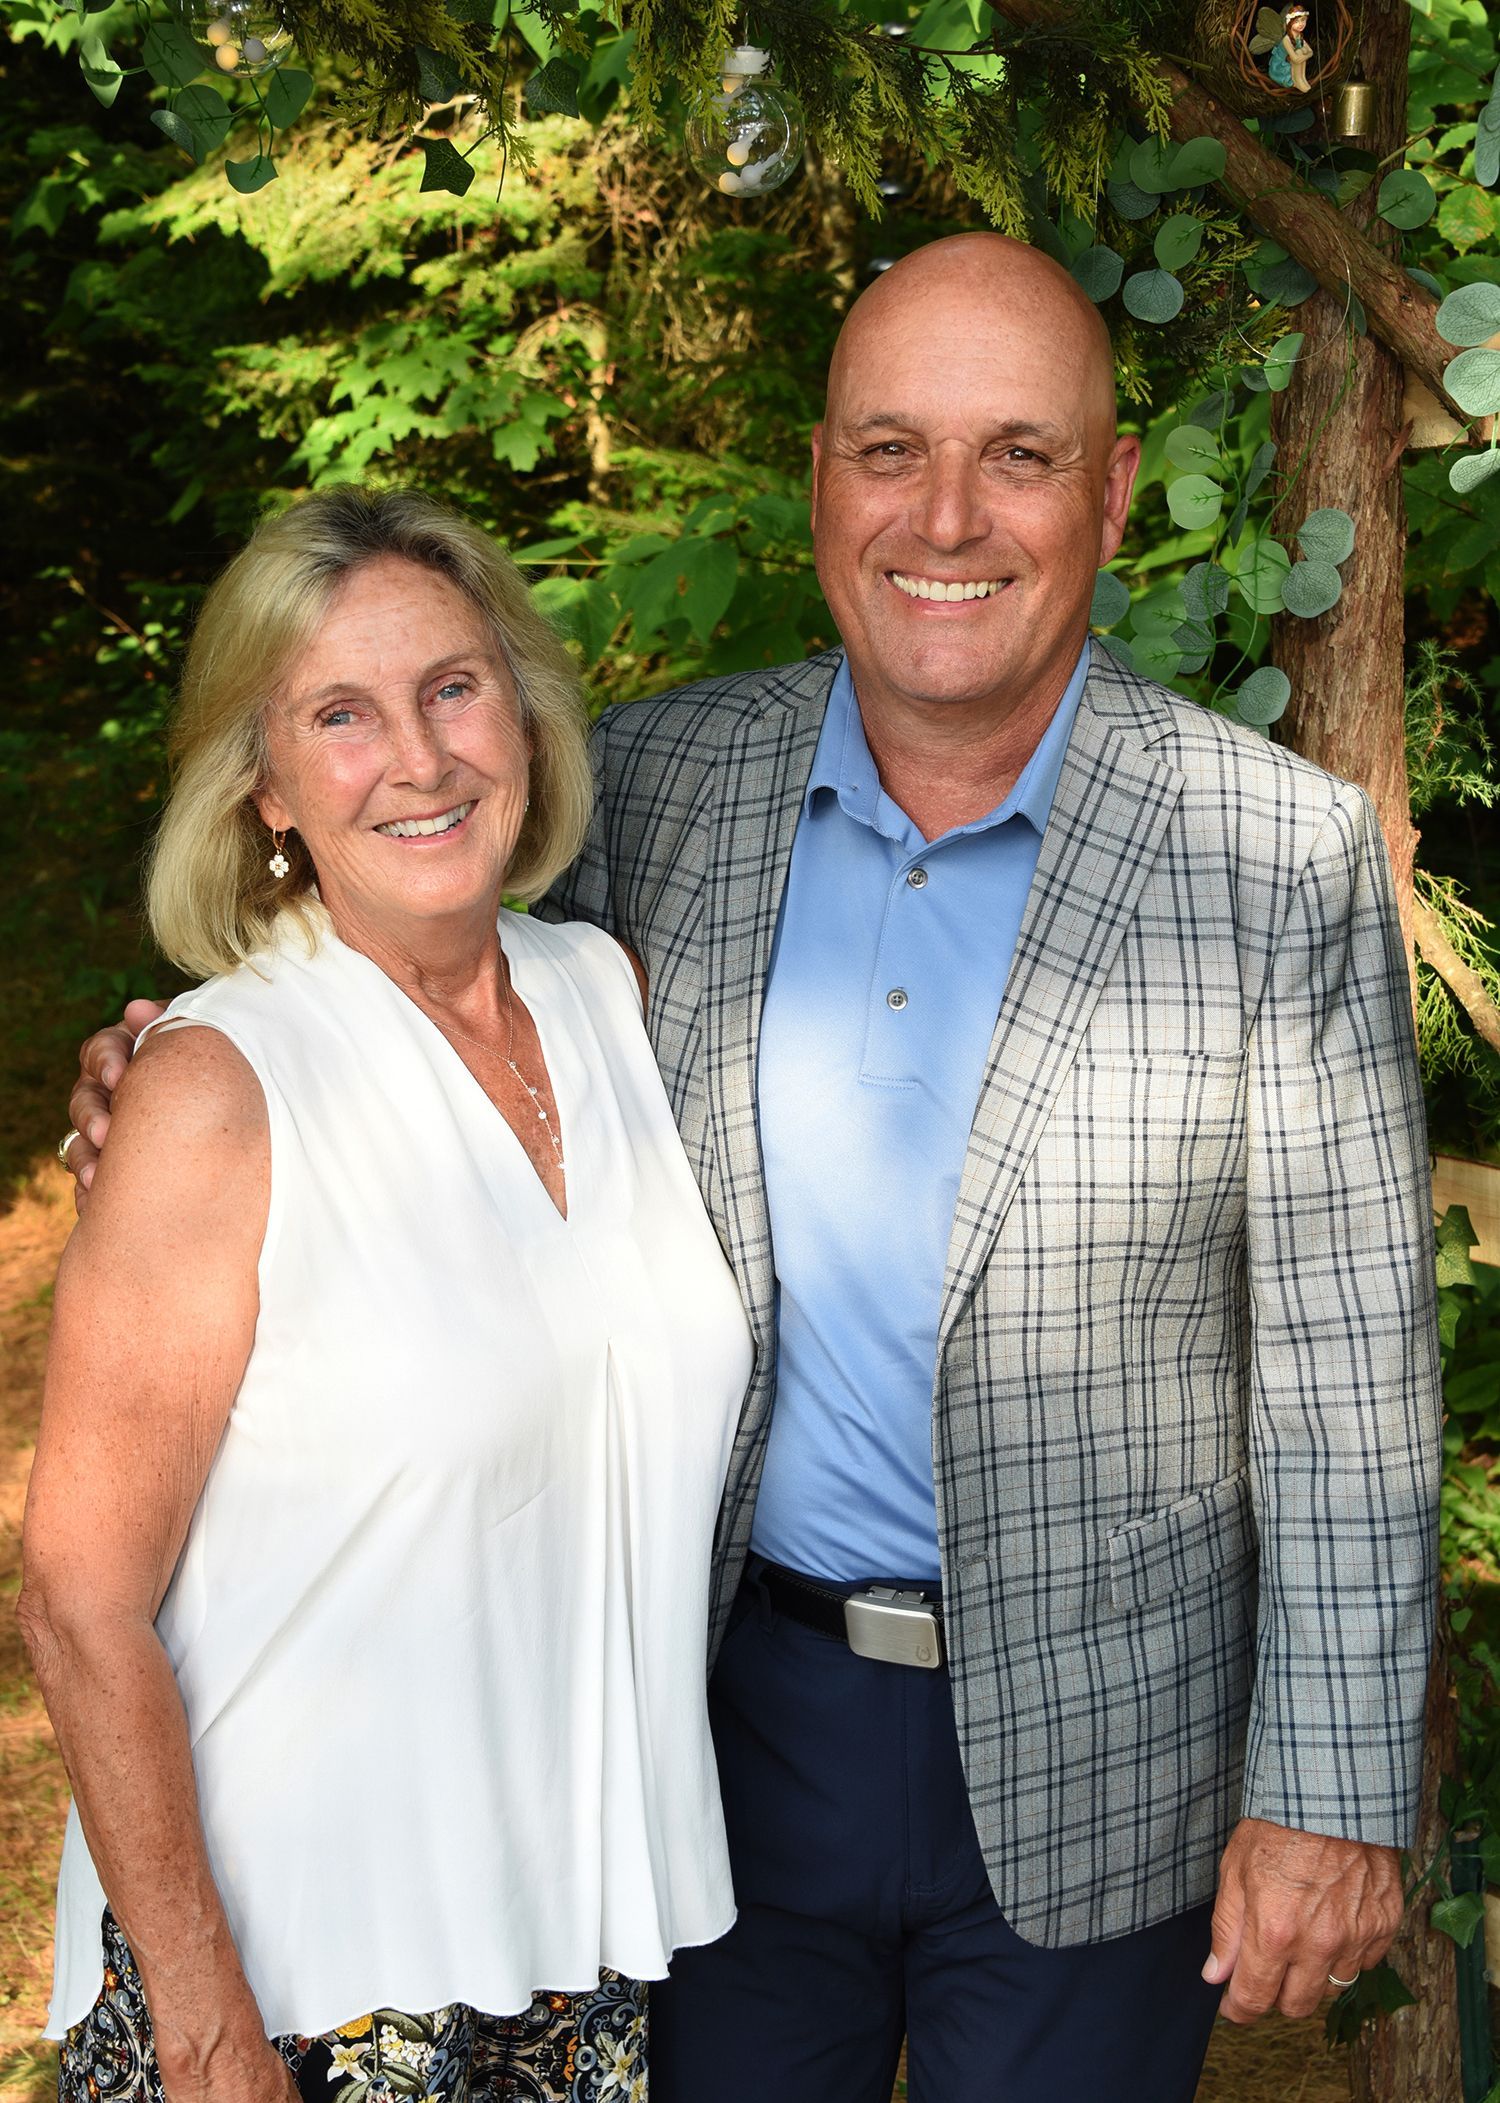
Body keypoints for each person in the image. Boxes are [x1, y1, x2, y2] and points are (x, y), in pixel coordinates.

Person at [65, 235, 1442, 2103]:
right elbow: (396, 988)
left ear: (1112, 492)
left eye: (1019, 455)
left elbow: (1355, 1376)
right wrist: (164, 1085)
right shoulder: (662, 792)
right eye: (891, 449)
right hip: (710, 1747)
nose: (946, 516)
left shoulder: (1268, 857)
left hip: (1113, 1754)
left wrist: (1334, 1795)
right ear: (820, 481)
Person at [28, 487, 752, 2103]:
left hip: (571, 1962)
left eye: (451, 688)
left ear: (524, 711)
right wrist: (208, 2033)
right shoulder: (218, 1085)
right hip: (302, 1994)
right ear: (266, 785)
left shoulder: (605, 994)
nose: (418, 761)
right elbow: (78, 1603)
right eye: (339, 716)